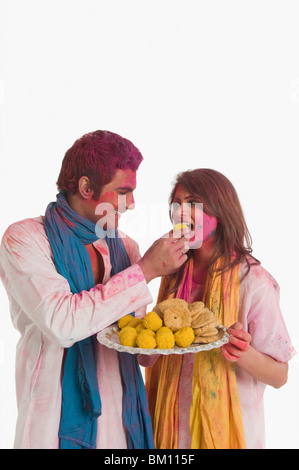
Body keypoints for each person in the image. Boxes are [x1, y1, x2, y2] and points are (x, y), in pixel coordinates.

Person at [0, 130, 190, 449]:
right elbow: (63, 323)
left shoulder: (126, 247)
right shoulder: (24, 239)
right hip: (53, 423)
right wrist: (146, 270)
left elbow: (138, 350)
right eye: (123, 192)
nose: (131, 205)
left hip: (122, 421)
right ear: (87, 187)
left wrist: (177, 298)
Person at [142, 168, 296, 449]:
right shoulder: (173, 272)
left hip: (231, 434)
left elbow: (280, 376)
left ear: (221, 213)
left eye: (193, 204)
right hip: (170, 435)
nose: (180, 212)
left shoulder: (252, 280)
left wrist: (243, 353)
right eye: (176, 204)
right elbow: (149, 359)